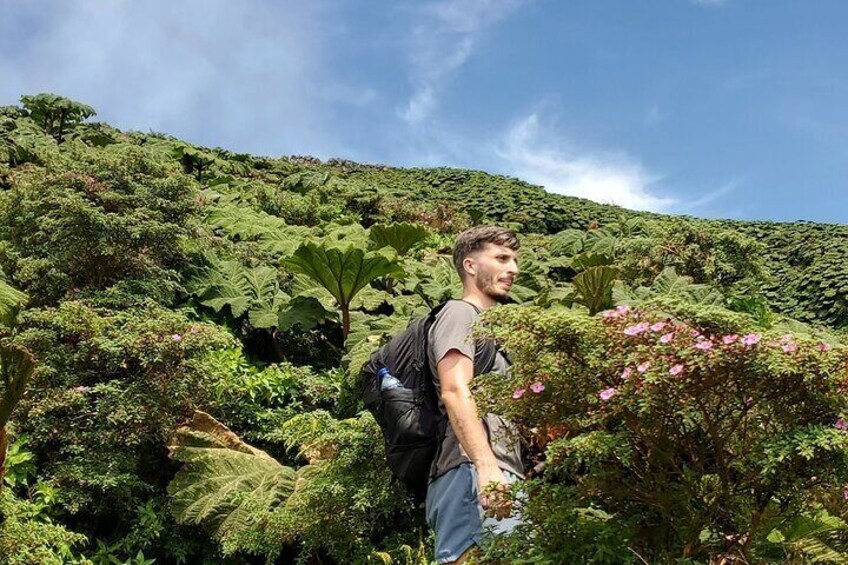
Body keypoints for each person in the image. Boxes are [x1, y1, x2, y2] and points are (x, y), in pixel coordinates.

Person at [425, 225, 524, 564]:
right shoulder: (460, 313)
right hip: (471, 473)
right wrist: (487, 469)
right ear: (470, 266)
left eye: (514, 260)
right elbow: (455, 390)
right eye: (501, 258)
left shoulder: (491, 329)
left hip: (495, 473)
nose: (513, 269)